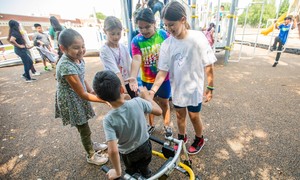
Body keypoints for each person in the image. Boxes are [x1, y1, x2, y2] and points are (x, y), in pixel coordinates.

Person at [149, 1, 217, 155]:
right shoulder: (167, 44)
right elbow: (162, 71)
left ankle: (199, 138)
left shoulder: (198, 38)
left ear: (183, 20)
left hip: (194, 89)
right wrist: (153, 91)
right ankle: (182, 138)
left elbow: (208, 64)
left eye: (171, 24)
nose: (168, 29)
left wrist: (210, 86)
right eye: (166, 25)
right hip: (178, 88)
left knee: (194, 117)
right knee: (180, 117)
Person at [93, 70, 162, 179]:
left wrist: (117, 171)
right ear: (121, 89)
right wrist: (147, 97)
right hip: (145, 146)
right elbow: (159, 111)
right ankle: (146, 174)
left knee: (131, 171)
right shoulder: (138, 102)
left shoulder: (108, 120)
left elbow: (113, 150)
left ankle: (134, 175)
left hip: (128, 153)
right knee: (144, 165)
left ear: (101, 99)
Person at [55, 29, 109, 165]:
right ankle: (90, 154)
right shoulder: (66, 65)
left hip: (78, 96)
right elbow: (82, 94)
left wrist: (92, 90)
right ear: (63, 48)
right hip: (72, 100)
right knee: (84, 128)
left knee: (85, 126)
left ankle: (90, 144)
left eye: (83, 46)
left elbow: (81, 77)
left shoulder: (77, 58)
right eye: (76, 48)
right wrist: (105, 100)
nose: (81, 50)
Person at [128, 8, 172, 136]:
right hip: (147, 79)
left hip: (164, 78)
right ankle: (151, 125)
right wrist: (133, 76)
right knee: (149, 103)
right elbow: (136, 60)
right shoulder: (136, 41)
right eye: (141, 28)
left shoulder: (163, 35)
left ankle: (167, 125)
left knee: (164, 102)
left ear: (154, 23)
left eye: (147, 27)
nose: (144, 31)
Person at [100, 16, 135, 98]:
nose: (116, 37)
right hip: (115, 84)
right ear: (105, 31)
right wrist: (125, 93)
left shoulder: (123, 47)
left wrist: (133, 81)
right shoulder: (105, 51)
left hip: (127, 81)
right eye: (112, 34)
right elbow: (116, 72)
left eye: (118, 33)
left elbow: (130, 64)